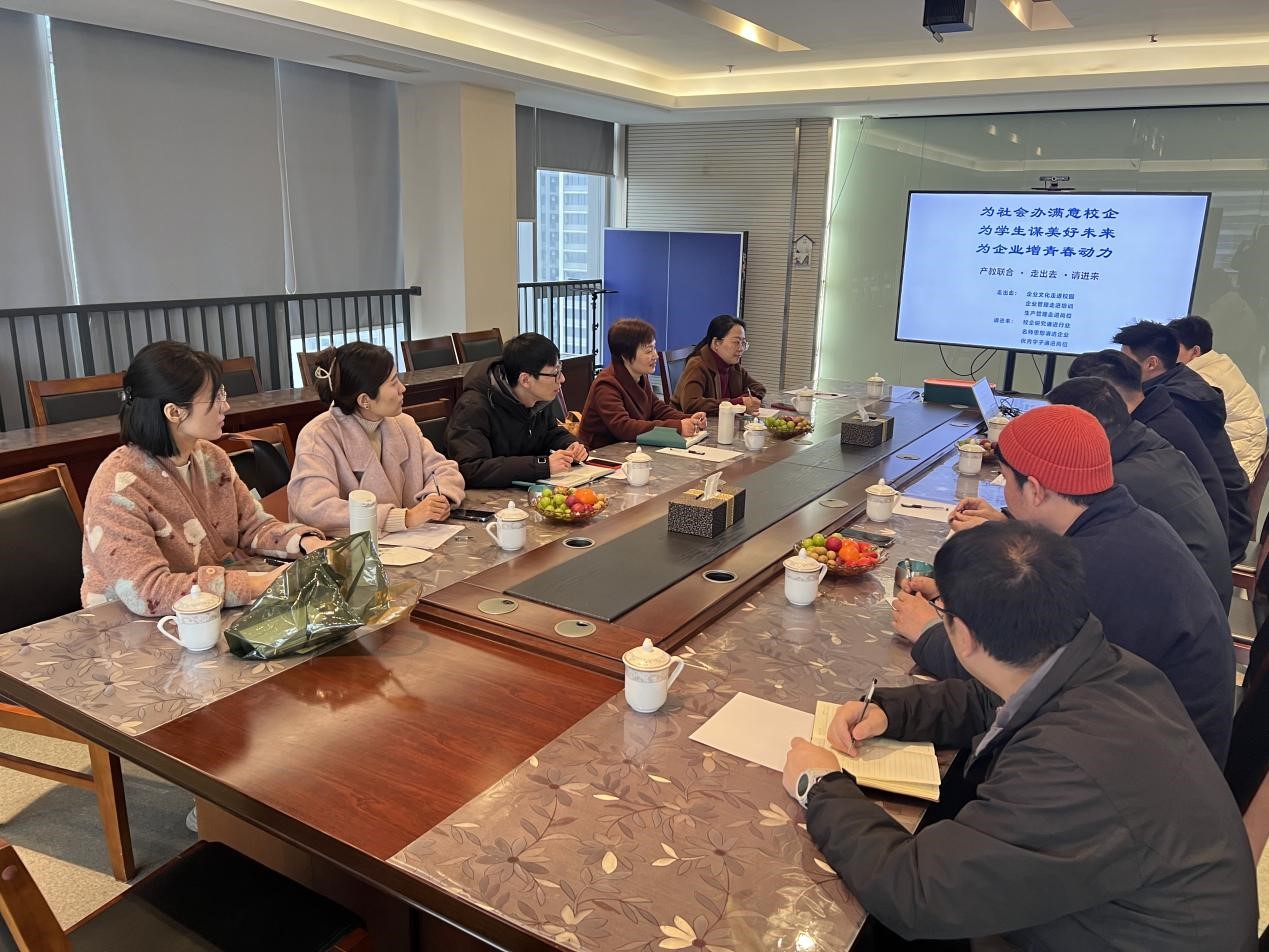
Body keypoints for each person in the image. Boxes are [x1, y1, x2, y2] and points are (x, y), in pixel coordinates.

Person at [781, 521, 1258, 950]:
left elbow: (920, 894)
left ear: (964, 636)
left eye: (941, 609)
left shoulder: (1068, 767)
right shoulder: (1105, 664)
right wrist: (893, 711)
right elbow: (998, 697)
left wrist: (820, 787)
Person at [901, 405, 1234, 764]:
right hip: (1166, 739)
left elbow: (1012, 674)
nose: (1005, 492)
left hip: (1143, 765)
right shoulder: (1129, 523)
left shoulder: (1089, 567)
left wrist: (931, 631)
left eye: (1007, 480)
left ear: (1035, 490)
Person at [81, 341, 327, 617]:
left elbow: (252, 526)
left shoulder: (211, 457)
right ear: (174, 412)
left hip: (206, 611)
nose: (226, 406)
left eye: (222, 393)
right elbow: (149, 591)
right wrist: (258, 584)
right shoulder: (117, 486)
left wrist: (308, 544)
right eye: (215, 397)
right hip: (130, 624)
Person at [1046, 376, 1231, 609]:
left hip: (1178, 611)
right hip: (1204, 601)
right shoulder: (1151, 444)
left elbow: (1062, 545)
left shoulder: (1118, 482)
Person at [1069, 348, 1233, 558]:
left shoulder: (1158, 432)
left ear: (1103, 398)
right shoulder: (1152, 422)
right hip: (1205, 552)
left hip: (1196, 560)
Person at [288, 342, 464, 535]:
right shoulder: (318, 436)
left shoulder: (403, 423)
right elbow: (315, 508)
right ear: (364, 400)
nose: (402, 388)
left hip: (408, 541)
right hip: (349, 549)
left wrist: (436, 498)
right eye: (393, 382)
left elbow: (443, 470)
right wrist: (403, 517)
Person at [1113, 320, 1253, 562]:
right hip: (1222, 516)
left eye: (1124, 363)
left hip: (1219, 532)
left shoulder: (1173, 403)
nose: (1118, 372)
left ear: (1151, 363)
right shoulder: (1181, 382)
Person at [445, 332, 588, 488]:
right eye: (555, 373)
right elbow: (472, 469)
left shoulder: (538, 399)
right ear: (525, 380)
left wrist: (571, 445)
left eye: (560, 370)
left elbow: (550, 433)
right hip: (486, 497)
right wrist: (541, 465)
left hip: (525, 489)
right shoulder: (473, 407)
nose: (562, 379)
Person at [577, 319, 705, 449]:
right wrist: (677, 427)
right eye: (648, 351)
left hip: (630, 449)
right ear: (625, 356)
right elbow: (624, 427)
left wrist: (689, 419)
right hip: (601, 453)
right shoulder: (606, 385)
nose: (656, 356)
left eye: (654, 348)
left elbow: (657, 409)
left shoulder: (640, 376)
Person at [1168, 314, 1267, 479]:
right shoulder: (1218, 365)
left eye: (1173, 349)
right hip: (1238, 460)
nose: (1167, 355)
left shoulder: (1202, 380)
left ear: (1195, 351)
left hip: (1232, 473)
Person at [673, 315, 766, 415]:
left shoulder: (732, 365)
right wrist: (737, 403)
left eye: (743, 343)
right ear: (716, 343)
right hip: (691, 422)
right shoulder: (698, 365)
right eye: (736, 342)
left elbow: (758, 388)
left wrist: (748, 400)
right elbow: (691, 404)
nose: (741, 349)